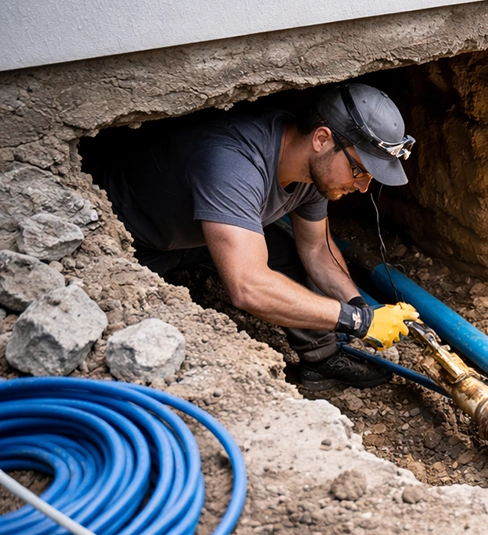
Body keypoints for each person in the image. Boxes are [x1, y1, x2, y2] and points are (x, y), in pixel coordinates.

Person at [92, 82, 421, 391]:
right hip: (132, 245)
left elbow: (317, 248)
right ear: (322, 139)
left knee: (290, 257)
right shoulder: (234, 162)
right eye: (359, 170)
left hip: (199, 237)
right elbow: (248, 287)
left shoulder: (315, 170)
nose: (363, 186)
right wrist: (356, 321)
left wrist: (360, 305)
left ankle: (321, 358)